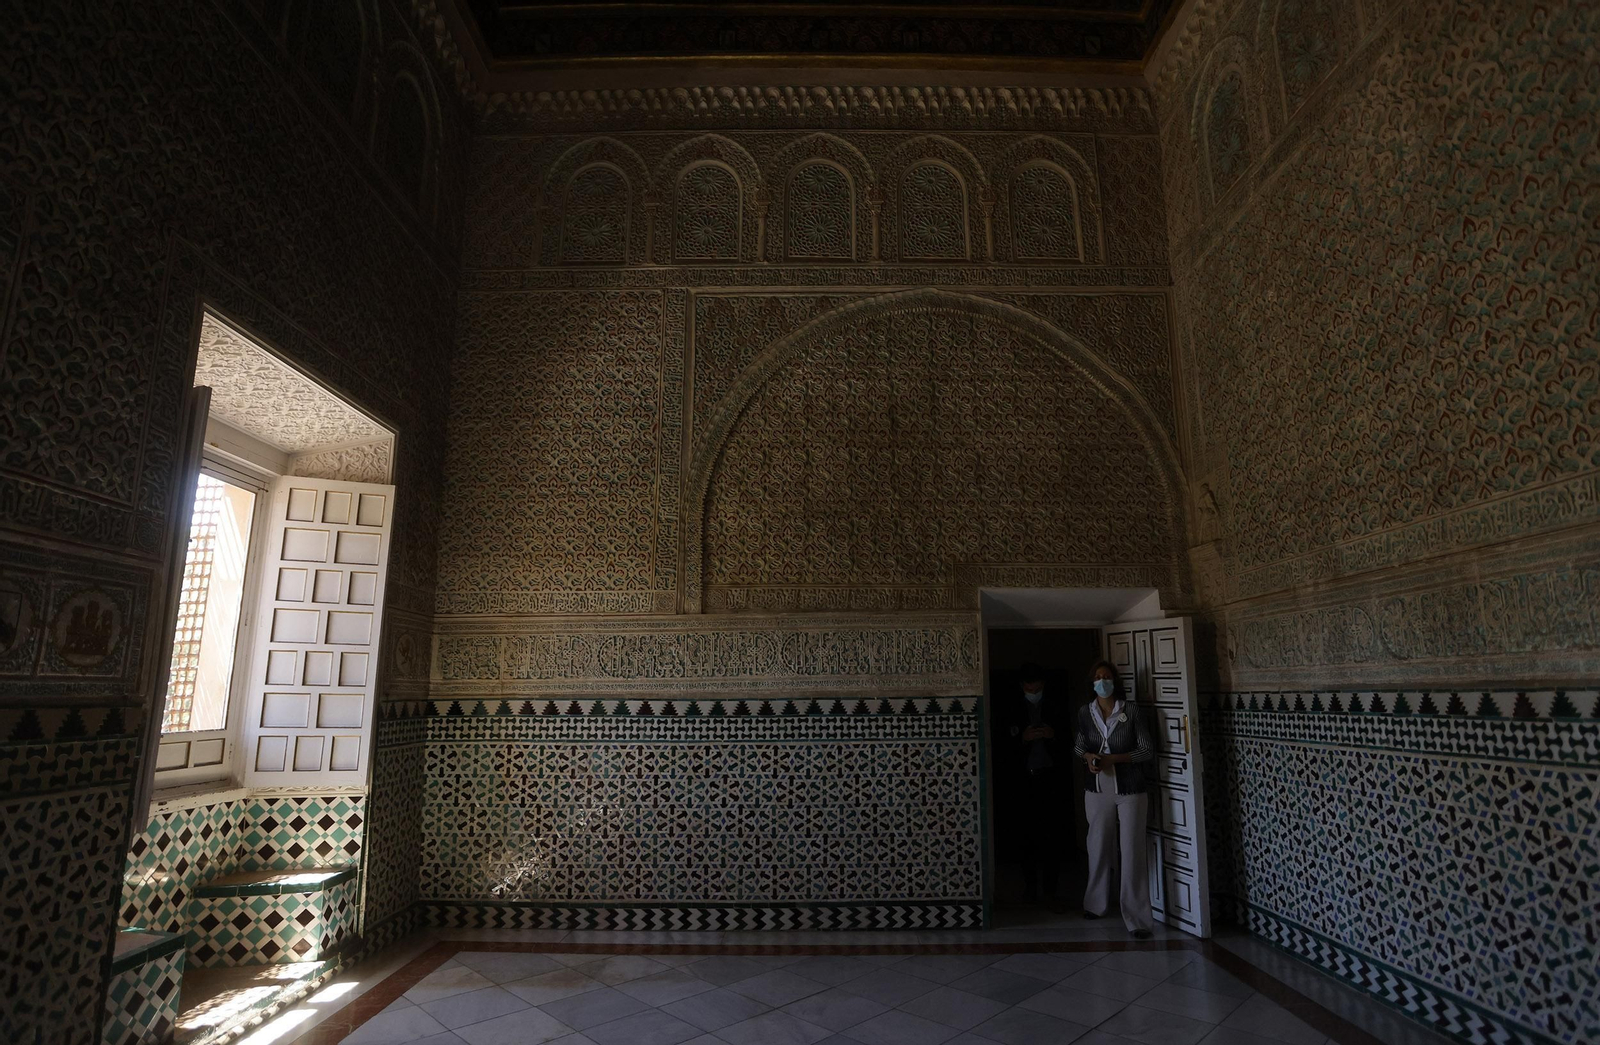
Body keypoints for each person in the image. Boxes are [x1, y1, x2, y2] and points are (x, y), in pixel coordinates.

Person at [1073, 660, 1156, 938]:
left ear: (1115, 681)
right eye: (1097, 677)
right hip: (1097, 787)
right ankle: (1095, 904)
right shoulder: (1085, 712)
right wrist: (1090, 759)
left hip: (1131, 787)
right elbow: (1078, 745)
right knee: (1097, 845)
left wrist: (1114, 759)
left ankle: (1137, 917)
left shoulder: (1130, 711)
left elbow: (1146, 750)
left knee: (1131, 849)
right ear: (1092, 682)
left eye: (1106, 677)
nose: (1102, 681)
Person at [994, 662, 1068, 902]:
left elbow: (1071, 740)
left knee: (1052, 837)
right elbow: (1000, 745)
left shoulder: (1056, 705)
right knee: (1026, 837)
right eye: (1028, 686)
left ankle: (1050, 890)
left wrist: (1052, 735)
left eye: (1035, 686)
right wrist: (1022, 739)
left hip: (1050, 779)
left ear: (1042, 684)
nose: (1032, 690)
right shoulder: (1011, 707)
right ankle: (1030, 888)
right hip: (1023, 781)